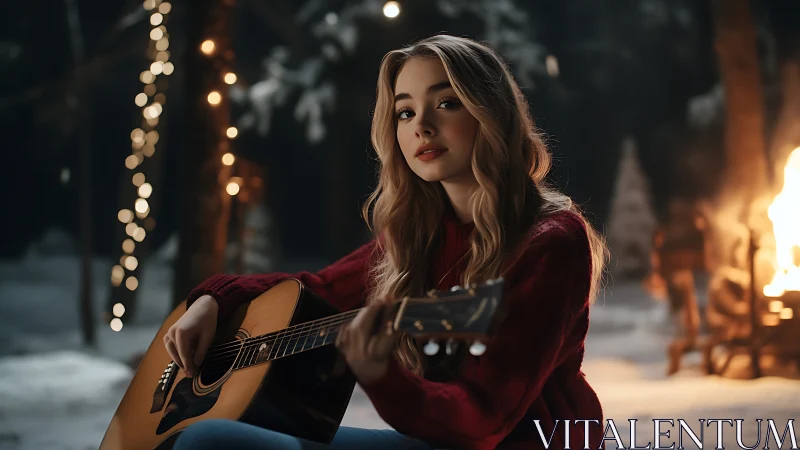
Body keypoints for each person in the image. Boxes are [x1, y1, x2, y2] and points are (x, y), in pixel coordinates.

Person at [165, 34, 608, 450]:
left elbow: (482, 419)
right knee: (205, 429)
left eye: (446, 103)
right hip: (439, 440)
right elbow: (315, 290)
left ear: (490, 113)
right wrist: (215, 299)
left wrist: (382, 376)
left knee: (210, 442)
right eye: (405, 112)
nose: (422, 127)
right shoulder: (422, 234)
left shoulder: (552, 240)